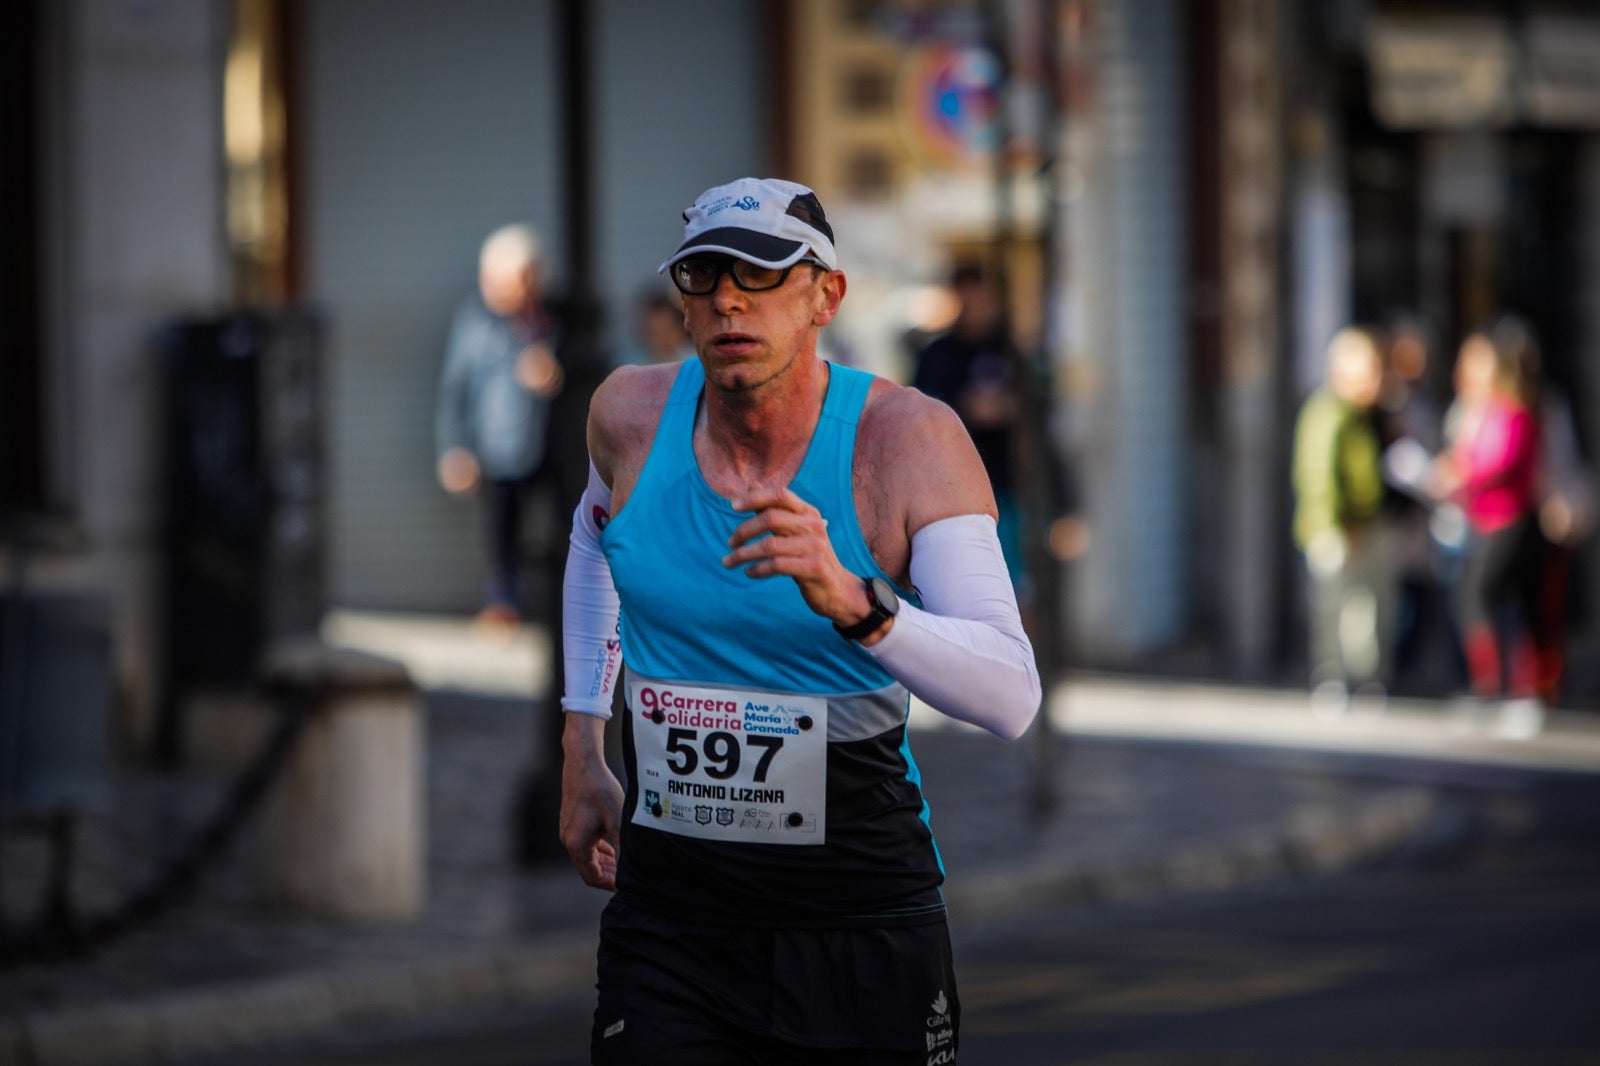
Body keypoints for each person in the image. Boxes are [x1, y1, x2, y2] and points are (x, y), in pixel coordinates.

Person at [557, 177, 1041, 1064]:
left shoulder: (907, 441)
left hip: (858, 923)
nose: (730, 297)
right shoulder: (627, 416)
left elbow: (1011, 693)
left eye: (764, 271)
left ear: (826, 295)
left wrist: (861, 603)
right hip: (672, 925)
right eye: (703, 275)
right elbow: (595, 547)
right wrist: (582, 743)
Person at [434, 223, 566, 632]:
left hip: (553, 445)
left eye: (502, 281)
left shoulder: (556, 319)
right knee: (501, 531)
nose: (492, 289)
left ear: (530, 279)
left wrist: (556, 375)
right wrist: (453, 449)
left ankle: (562, 604)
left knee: (562, 527)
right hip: (498, 446)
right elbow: (453, 388)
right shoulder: (475, 321)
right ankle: (504, 603)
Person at [1427, 328, 1543, 707]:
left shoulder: (1514, 410)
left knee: (1491, 598)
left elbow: (1501, 462)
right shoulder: (1478, 410)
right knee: (1475, 600)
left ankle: (1518, 687)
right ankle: (1488, 684)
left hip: (1507, 519)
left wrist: (1463, 476)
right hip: (1480, 519)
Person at [1292, 325, 1394, 709]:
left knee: (1368, 611)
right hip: (1337, 529)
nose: (1375, 379)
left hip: (1369, 525)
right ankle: (1332, 680)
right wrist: (1338, 524)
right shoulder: (1328, 413)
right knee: (1332, 610)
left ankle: (1368, 679)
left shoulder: (1374, 414)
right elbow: (1317, 476)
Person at [911, 262, 1026, 594]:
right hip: (947, 488)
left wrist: (1007, 408)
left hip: (1004, 485)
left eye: (978, 294)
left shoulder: (1008, 351)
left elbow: (1034, 406)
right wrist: (964, 410)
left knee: (1012, 583)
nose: (972, 303)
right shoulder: (936, 355)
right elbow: (920, 414)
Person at [615, 289, 694, 366]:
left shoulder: (693, 360)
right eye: (652, 332)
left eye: (663, 331)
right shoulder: (635, 363)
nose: (657, 339)